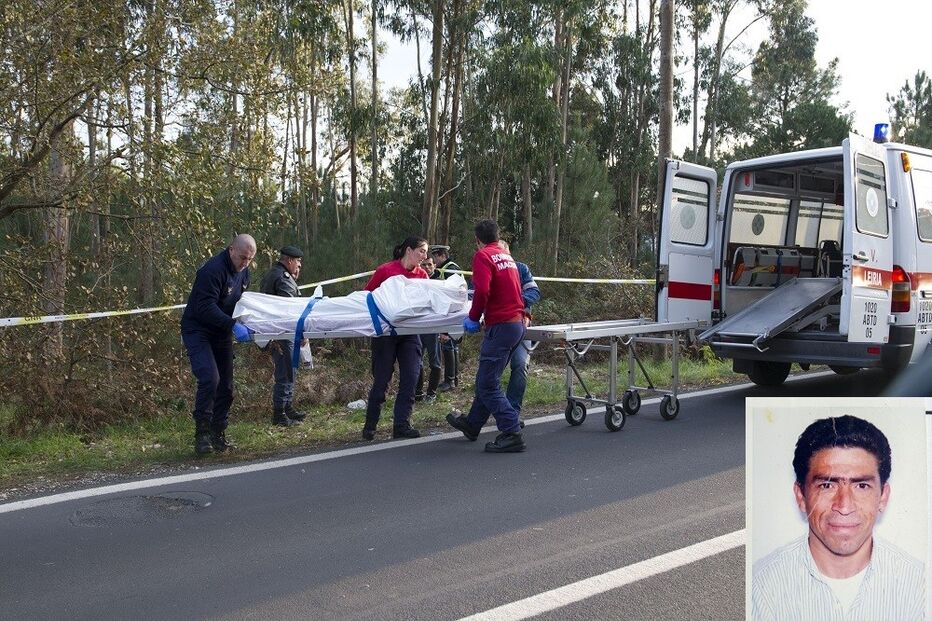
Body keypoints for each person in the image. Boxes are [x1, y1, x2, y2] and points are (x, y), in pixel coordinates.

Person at [752, 414, 925, 620]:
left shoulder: (919, 587)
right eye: (827, 485)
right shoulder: (759, 588)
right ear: (801, 496)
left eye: (861, 486)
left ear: (883, 497)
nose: (844, 506)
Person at [446, 220, 527, 453]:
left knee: (487, 383)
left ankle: (512, 431)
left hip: (501, 326)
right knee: (486, 377)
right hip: (515, 324)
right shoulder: (506, 257)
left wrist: (473, 316)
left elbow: (482, 290)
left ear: (477, 240)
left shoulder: (483, 256)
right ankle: (472, 424)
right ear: (497, 236)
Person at [180, 234, 257, 456]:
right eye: (242, 257)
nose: (245, 263)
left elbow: (241, 301)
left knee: (227, 386)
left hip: (221, 331)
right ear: (231, 250)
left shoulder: (244, 273)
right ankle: (202, 433)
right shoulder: (212, 271)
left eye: (249, 259)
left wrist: (249, 322)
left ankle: (218, 432)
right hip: (198, 329)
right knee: (209, 378)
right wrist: (232, 325)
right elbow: (205, 307)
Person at [361, 236, 429, 441]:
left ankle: (401, 425)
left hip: (409, 333)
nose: (425, 256)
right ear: (409, 250)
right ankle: (370, 425)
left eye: (426, 252)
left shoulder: (423, 275)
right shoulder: (385, 270)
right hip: (386, 334)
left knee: (410, 377)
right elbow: (366, 296)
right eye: (422, 251)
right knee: (382, 380)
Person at [259, 245, 307, 427]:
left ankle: (287, 408)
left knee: (289, 370)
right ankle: (279, 414)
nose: (300, 265)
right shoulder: (283, 278)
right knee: (285, 372)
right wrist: (300, 332)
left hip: (277, 332)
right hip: (282, 333)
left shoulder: (275, 274)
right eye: (298, 261)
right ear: (289, 260)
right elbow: (289, 311)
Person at [497, 241, 540, 421]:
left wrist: (513, 302)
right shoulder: (487, 267)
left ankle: (512, 413)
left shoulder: (521, 269)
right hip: (497, 329)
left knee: (520, 365)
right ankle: (488, 413)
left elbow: (534, 293)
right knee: (491, 373)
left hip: (520, 327)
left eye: (503, 253)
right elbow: (474, 294)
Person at [430, 245, 461, 392]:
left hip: (450, 311)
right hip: (450, 310)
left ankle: (450, 380)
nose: (434, 260)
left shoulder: (450, 268)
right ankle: (453, 379)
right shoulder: (445, 268)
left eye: (435, 257)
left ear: (442, 255)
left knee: (449, 345)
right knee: (452, 346)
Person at [414, 256, 442, 404]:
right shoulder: (415, 281)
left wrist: (444, 330)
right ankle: (418, 393)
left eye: (429, 265)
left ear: (434, 266)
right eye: (423, 265)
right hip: (418, 326)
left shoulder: (438, 284)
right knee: (417, 361)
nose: (426, 267)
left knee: (435, 362)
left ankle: (431, 393)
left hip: (433, 326)